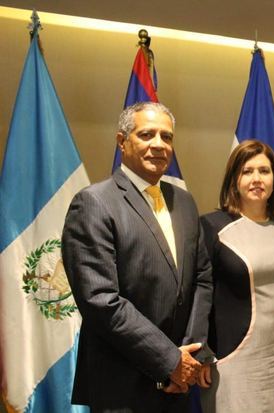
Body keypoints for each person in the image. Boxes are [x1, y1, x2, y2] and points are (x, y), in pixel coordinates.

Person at [62, 102, 213, 413]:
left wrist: (190, 354)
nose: (158, 144)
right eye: (147, 135)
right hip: (124, 386)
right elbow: (101, 300)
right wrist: (169, 360)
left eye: (166, 137)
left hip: (181, 382)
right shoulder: (94, 203)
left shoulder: (183, 201)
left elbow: (201, 277)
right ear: (122, 142)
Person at [199, 140, 274, 412]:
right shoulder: (213, 227)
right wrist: (202, 350)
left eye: (264, 171)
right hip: (234, 354)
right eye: (247, 171)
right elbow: (202, 292)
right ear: (234, 179)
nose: (256, 179)